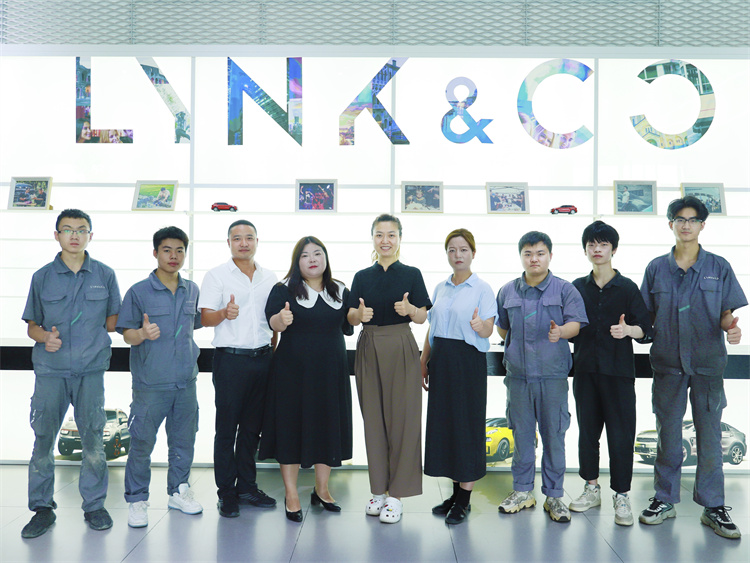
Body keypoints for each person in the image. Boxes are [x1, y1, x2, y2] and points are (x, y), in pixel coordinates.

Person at [638, 196, 746, 539]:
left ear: (702, 225)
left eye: (693, 219)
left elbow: (727, 312)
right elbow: (645, 317)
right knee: (668, 436)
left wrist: (731, 328)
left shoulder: (719, 267)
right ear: (670, 224)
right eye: (680, 219)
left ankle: (713, 506)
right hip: (668, 364)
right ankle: (664, 499)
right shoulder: (656, 268)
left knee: (710, 438)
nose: (686, 225)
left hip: (707, 365)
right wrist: (632, 331)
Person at [21, 209, 121, 538]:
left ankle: (94, 506)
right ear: (57, 235)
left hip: (90, 370)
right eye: (67, 229)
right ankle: (42, 509)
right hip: (51, 371)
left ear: (91, 235)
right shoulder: (42, 277)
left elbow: (113, 321)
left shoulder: (105, 275)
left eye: (81, 229)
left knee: (93, 440)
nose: (74, 235)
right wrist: (44, 338)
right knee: (43, 440)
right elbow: (32, 326)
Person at [495, 231, 587, 523]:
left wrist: (560, 332)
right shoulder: (507, 291)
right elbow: (503, 327)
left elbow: (576, 324)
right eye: (528, 254)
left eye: (540, 253)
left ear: (550, 255)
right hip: (519, 378)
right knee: (521, 436)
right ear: (521, 256)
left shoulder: (564, 290)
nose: (534, 259)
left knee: (554, 436)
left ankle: (554, 495)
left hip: (552, 377)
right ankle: (523, 491)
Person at [259, 236, 353, 522]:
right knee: (290, 430)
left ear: (325, 258)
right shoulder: (283, 289)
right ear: (296, 261)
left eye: (317, 253)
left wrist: (359, 315)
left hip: (331, 373)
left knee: (327, 428)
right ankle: (291, 495)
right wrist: (281, 321)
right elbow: (272, 321)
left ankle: (322, 490)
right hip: (292, 373)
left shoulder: (340, 289)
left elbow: (350, 323)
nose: (312, 259)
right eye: (305, 255)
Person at [347, 213, 432, 524]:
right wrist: (358, 315)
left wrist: (410, 309)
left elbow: (422, 317)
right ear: (373, 238)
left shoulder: (412, 274)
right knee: (373, 420)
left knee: (403, 421)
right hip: (368, 346)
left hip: (400, 346)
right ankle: (379, 491)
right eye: (380, 235)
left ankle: (397, 494)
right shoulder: (361, 276)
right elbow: (350, 316)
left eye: (391, 235)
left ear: (399, 238)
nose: (385, 240)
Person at [116, 227, 203, 528]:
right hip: (151, 384)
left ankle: (178, 491)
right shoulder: (138, 291)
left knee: (183, 441)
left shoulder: (192, 290)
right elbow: (127, 334)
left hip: (185, 382)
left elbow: (195, 326)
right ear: (155, 253)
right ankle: (137, 499)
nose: (173, 256)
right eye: (167, 250)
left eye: (179, 250)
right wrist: (141, 334)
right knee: (141, 444)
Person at [569, 221, 652, 526]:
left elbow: (646, 329)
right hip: (585, 371)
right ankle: (591, 488)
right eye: (591, 244)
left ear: (613, 249)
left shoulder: (627, 288)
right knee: (588, 433)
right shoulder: (576, 287)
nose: (597, 249)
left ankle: (622, 495)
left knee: (620, 435)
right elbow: (568, 325)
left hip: (618, 373)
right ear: (585, 250)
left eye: (603, 244)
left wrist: (628, 330)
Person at [199, 220, 278, 518]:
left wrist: (273, 350)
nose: (243, 243)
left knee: (252, 429)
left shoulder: (270, 277)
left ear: (257, 241)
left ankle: (247, 487)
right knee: (226, 429)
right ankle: (226, 493)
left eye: (249, 237)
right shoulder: (216, 275)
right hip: (230, 361)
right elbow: (206, 318)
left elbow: (273, 320)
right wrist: (224, 312)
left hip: (263, 359)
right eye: (237, 238)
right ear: (229, 243)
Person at [420, 229, 497, 525]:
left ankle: (464, 500)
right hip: (441, 361)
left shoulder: (482, 289)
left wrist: (480, 326)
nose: (457, 255)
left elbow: (488, 328)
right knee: (447, 427)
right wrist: (424, 360)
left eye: (463, 249)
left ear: (473, 253)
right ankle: (454, 495)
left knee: (466, 427)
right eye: (452, 250)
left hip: (467, 363)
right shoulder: (440, 288)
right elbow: (433, 327)